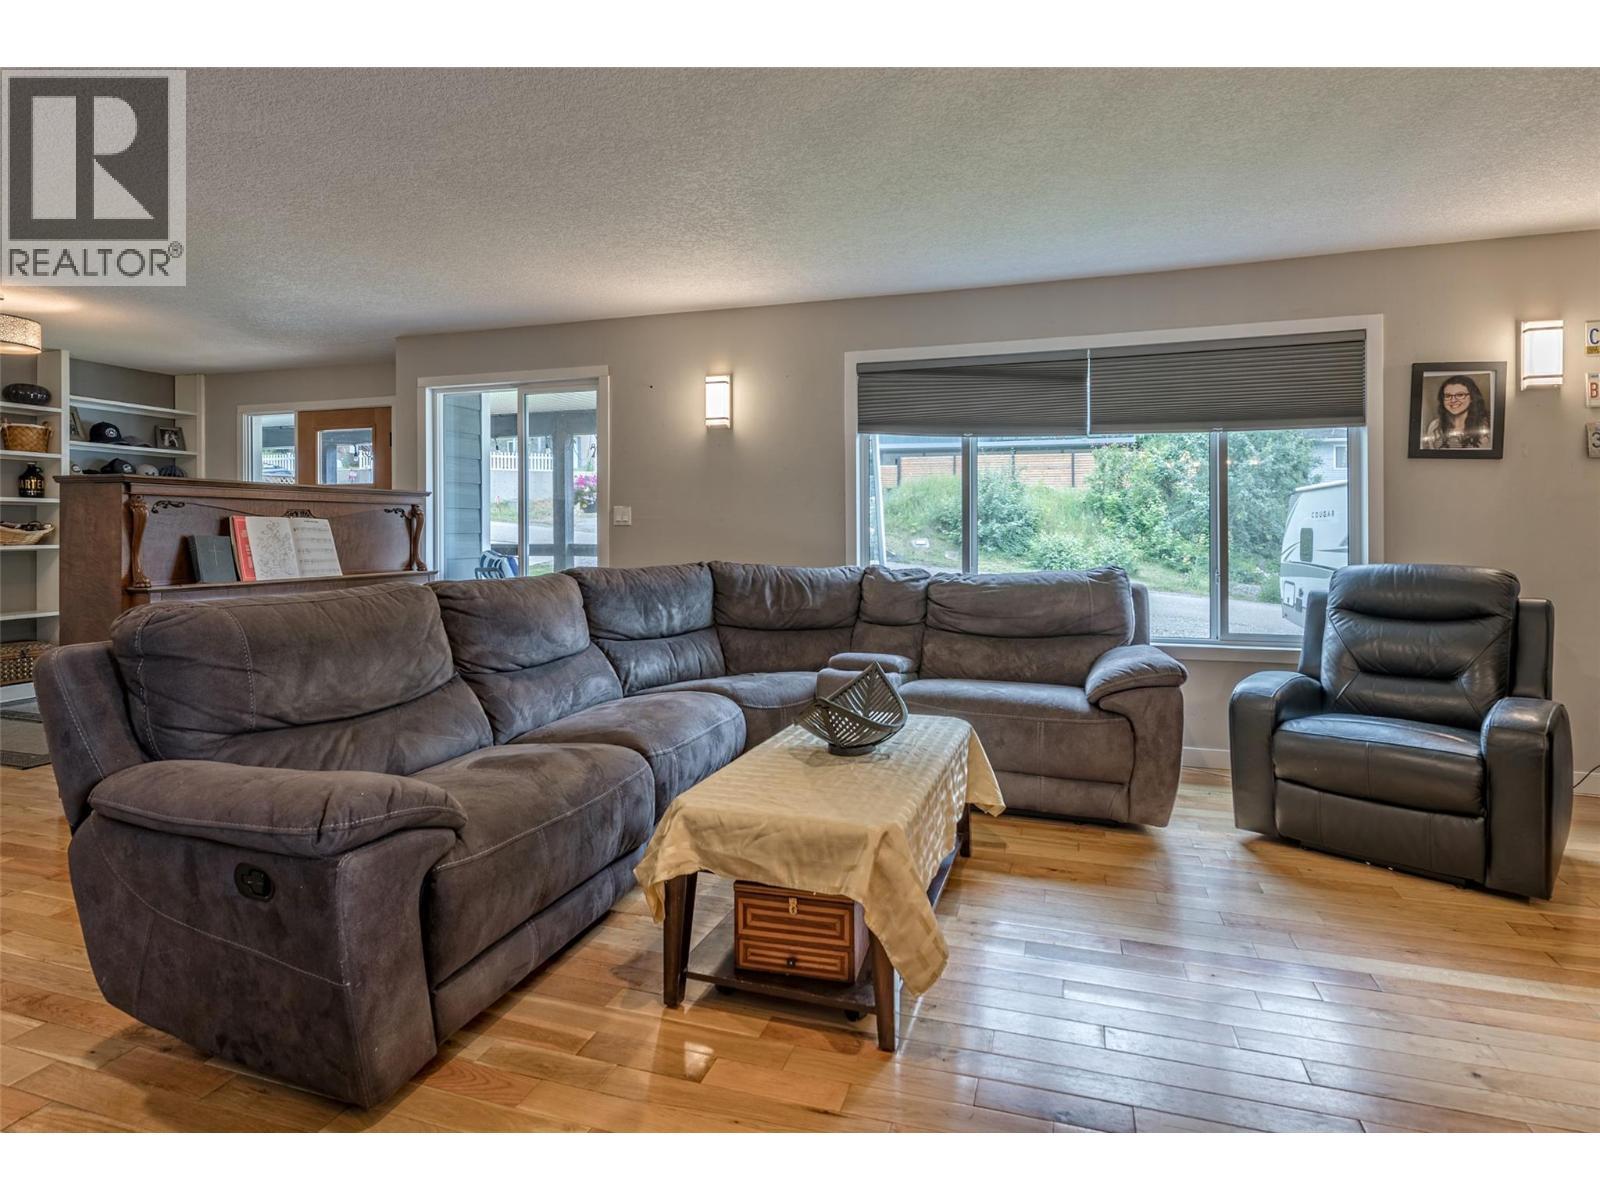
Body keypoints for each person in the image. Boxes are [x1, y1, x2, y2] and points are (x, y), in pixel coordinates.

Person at [1421, 375, 1492, 450]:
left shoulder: (1488, 426)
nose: (1453, 400)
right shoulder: (1434, 426)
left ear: (1472, 397)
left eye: (1460, 395)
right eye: (1448, 396)